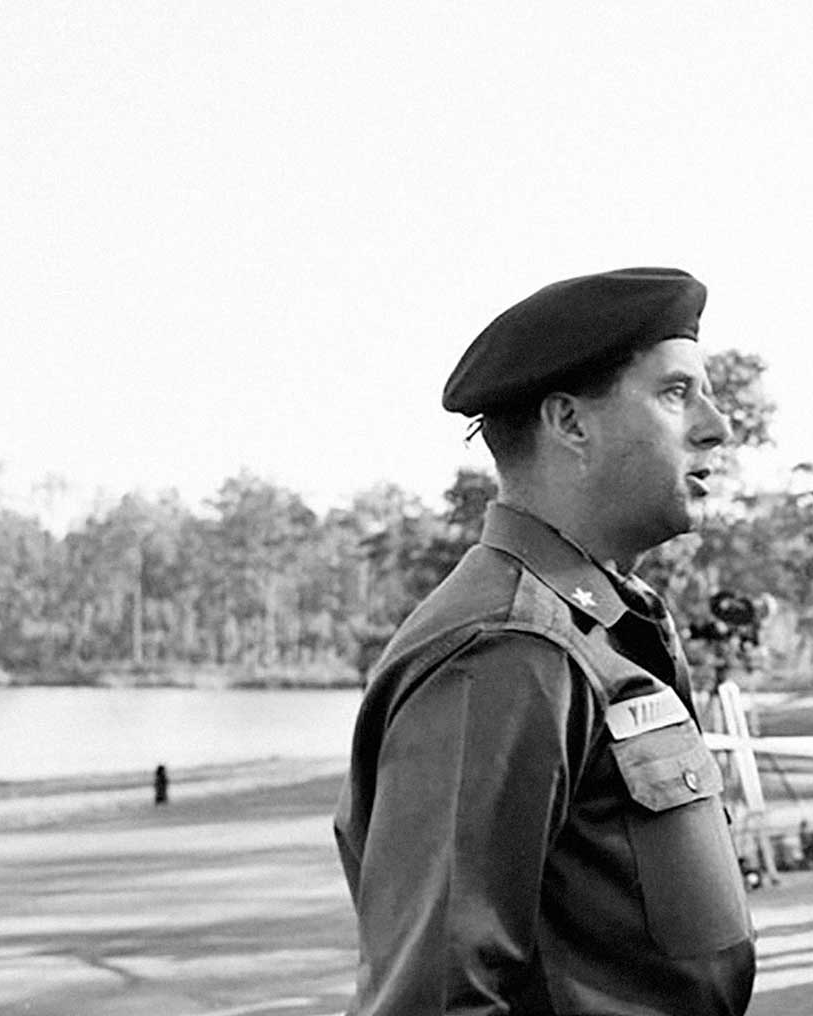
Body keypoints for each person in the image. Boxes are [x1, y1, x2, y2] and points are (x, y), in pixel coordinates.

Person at [333, 267, 754, 1015]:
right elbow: (434, 998)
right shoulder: (505, 650)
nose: (717, 425)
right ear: (569, 424)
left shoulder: (607, 621)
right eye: (676, 393)